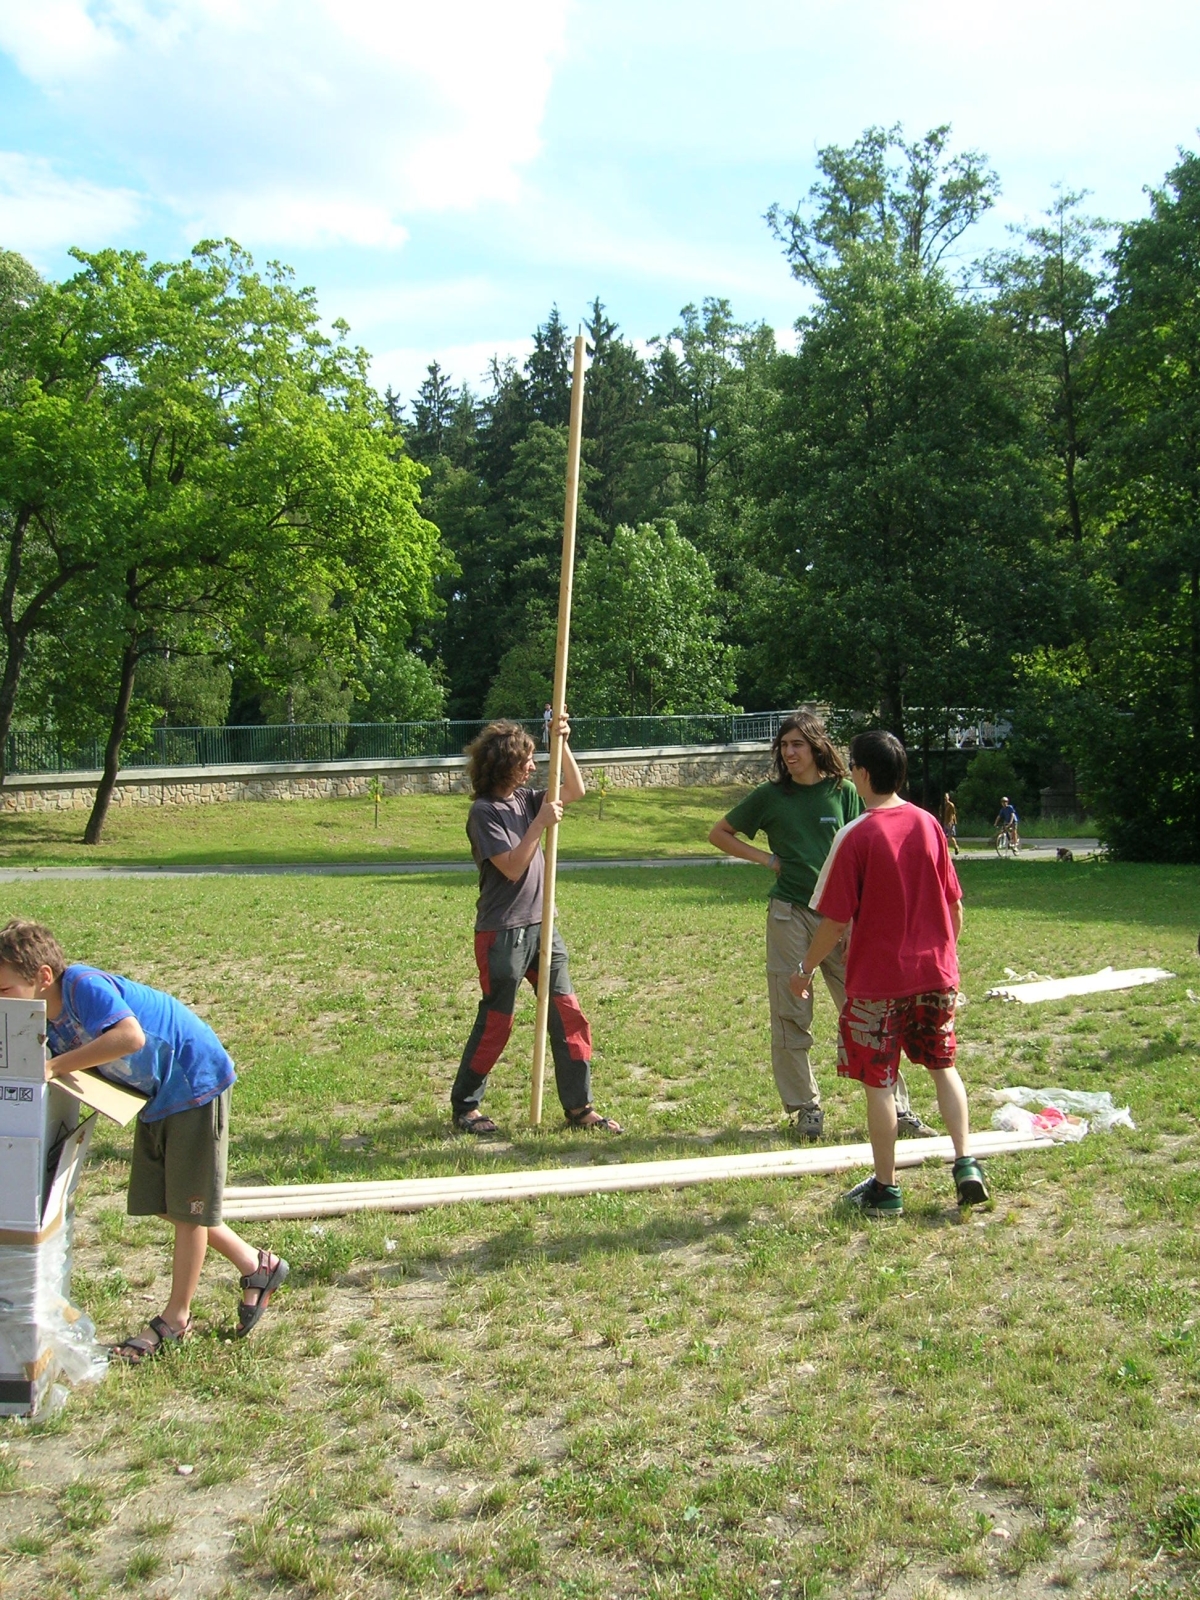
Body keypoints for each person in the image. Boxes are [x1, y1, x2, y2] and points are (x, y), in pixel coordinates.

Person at [0, 919, 287, 1361]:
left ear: (42, 976)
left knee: (188, 1210)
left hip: (192, 1081)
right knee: (164, 1201)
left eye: (4, 989)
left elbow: (129, 1037)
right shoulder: (46, 1017)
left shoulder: (82, 987)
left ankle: (175, 1321)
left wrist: (55, 1067)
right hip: (156, 1097)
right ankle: (257, 1265)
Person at [791, 731, 989, 1218]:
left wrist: (805, 968)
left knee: (879, 1084)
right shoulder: (929, 825)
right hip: (936, 975)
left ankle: (886, 1188)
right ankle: (966, 1163)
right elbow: (954, 906)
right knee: (944, 1067)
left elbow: (834, 920)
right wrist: (945, 958)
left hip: (878, 984)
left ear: (861, 773)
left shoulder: (855, 835)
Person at [708, 711, 932, 1141]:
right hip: (790, 915)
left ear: (816, 747)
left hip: (841, 919)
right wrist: (768, 859)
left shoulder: (844, 791)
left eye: (797, 745)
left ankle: (898, 1109)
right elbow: (720, 833)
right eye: (784, 746)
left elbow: (866, 846)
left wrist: (861, 916)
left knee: (868, 1012)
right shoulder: (770, 796)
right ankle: (805, 1108)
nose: (789, 753)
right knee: (791, 1014)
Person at [451, 715, 621, 1134]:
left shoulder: (526, 800)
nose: (532, 767)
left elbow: (575, 790)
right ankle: (466, 1106)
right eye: (525, 761)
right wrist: (539, 824)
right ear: (503, 765)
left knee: (568, 1014)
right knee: (498, 1020)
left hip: (543, 926)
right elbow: (511, 867)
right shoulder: (484, 812)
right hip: (502, 933)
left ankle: (579, 1107)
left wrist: (560, 742)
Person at [940, 792, 960, 857]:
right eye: (944, 797)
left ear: (948, 797)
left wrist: (950, 822)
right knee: (943, 837)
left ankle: (956, 847)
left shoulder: (951, 805)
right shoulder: (942, 806)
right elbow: (940, 814)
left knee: (950, 837)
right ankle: (945, 850)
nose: (945, 798)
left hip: (950, 823)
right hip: (944, 822)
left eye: (946, 797)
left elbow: (952, 814)